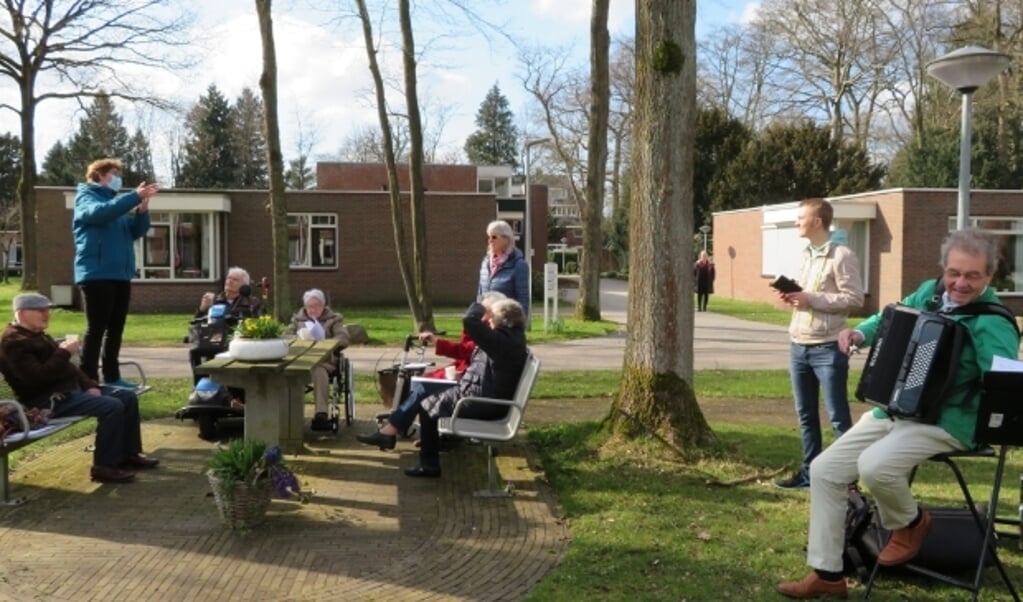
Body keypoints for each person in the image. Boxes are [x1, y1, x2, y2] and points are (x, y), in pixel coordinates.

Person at [776, 228, 1019, 599]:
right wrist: (860, 334)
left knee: (875, 466)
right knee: (825, 470)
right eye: (954, 272)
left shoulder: (993, 322)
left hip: (951, 421)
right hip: (901, 410)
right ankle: (828, 575)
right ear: (944, 268)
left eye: (972, 275)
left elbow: (1004, 384)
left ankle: (912, 523)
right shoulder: (931, 292)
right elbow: (892, 316)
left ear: (989, 276)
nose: (960, 283)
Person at [356, 298, 528, 478]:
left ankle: (425, 462)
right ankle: (394, 435)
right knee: (426, 393)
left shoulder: (500, 340)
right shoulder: (510, 338)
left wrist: (480, 305)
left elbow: (470, 321)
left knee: (427, 404)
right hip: (481, 395)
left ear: (501, 319)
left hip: (482, 402)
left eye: (490, 317)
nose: (488, 321)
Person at [0, 293, 159, 483]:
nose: (47, 315)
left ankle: (128, 455)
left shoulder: (36, 336)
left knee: (127, 397)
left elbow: (70, 368)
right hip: (45, 401)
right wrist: (63, 352)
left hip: (68, 392)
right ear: (22, 314)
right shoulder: (13, 344)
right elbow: (36, 378)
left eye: (48, 310)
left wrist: (90, 385)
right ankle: (104, 466)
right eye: (40, 311)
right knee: (112, 406)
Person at [774, 198, 864, 490]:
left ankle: (847, 481)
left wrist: (810, 299)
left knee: (838, 416)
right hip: (798, 345)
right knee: (806, 415)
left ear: (817, 221)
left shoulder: (842, 255)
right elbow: (807, 295)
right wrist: (793, 297)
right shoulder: (806, 254)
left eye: (801, 218)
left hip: (827, 348)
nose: (797, 222)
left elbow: (854, 300)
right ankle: (810, 474)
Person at [73, 158, 159, 389]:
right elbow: (98, 214)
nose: (118, 178)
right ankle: (89, 378)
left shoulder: (116, 205)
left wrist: (142, 212)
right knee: (97, 329)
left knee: (116, 329)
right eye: (113, 173)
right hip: (97, 274)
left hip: (120, 275)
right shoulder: (86, 197)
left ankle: (112, 376)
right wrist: (133, 197)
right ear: (99, 175)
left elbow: (134, 232)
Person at [285, 288, 350, 431]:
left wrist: (327, 342)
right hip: (301, 361)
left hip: (325, 362)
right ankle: (288, 416)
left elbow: (343, 338)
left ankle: (321, 414)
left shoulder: (334, 319)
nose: (313, 309)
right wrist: (298, 339)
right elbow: (285, 337)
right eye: (309, 306)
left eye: (316, 306)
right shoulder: (297, 320)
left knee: (318, 372)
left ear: (323, 305)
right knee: (288, 373)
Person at [478, 220, 529, 316]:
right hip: (486, 320)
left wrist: (519, 325)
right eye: (488, 237)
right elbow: (479, 295)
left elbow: (523, 300)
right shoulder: (485, 263)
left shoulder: (519, 265)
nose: (490, 240)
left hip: (505, 322)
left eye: (494, 237)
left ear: (507, 239)